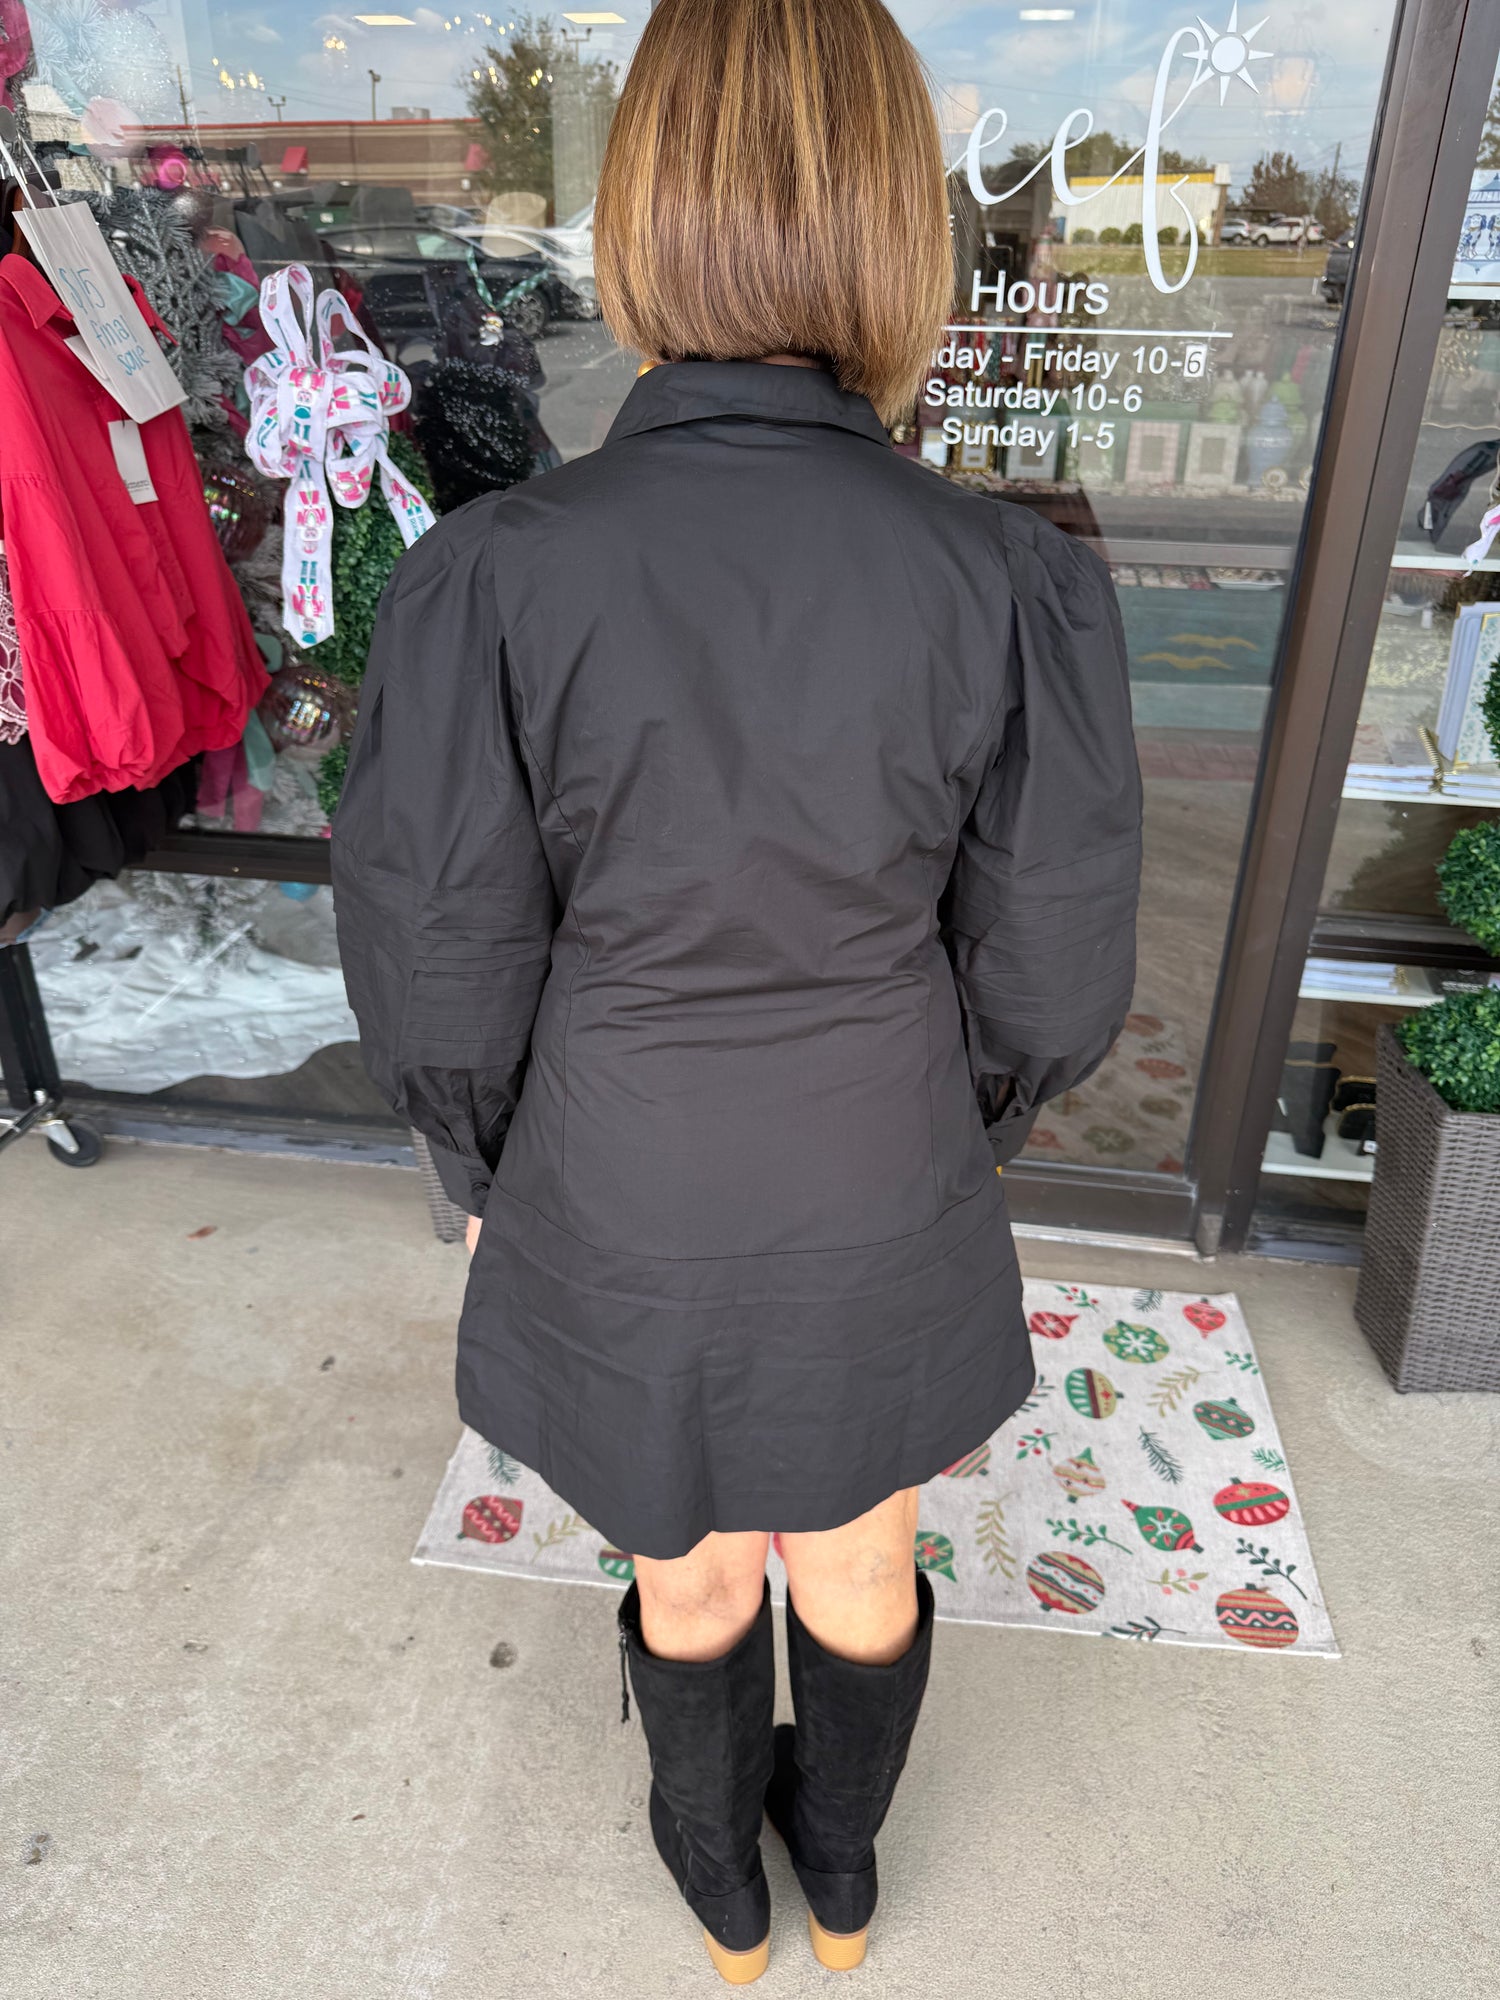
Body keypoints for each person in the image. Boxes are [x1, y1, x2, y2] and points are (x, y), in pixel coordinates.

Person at [331, 0, 1141, 1981]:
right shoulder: (1008, 572)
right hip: (880, 1145)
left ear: (641, 216)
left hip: (615, 1161)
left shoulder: (499, 571)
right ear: (895, 228)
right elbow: (1053, 959)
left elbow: (440, 950)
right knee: (863, 1546)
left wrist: (486, 1165)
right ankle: (841, 1872)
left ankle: (721, 1885)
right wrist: (950, 1128)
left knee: (685, 1563)